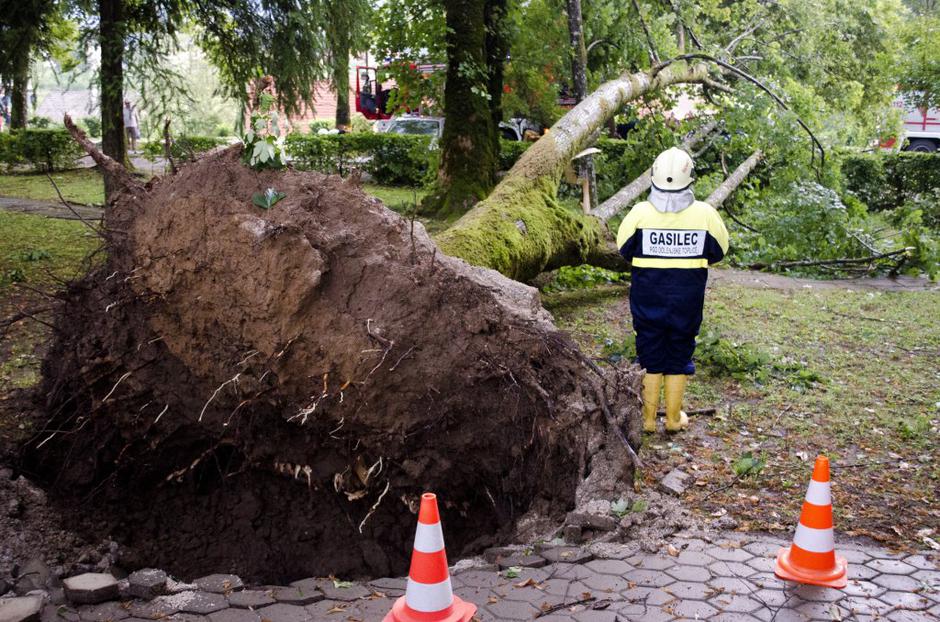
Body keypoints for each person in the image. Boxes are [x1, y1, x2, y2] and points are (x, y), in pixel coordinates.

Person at [616, 147, 729, 434]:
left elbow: (623, 248)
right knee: (679, 350)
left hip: (647, 297)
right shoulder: (705, 215)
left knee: (649, 349)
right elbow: (719, 251)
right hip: (687, 298)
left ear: (653, 175)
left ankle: (648, 420)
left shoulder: (640, 212)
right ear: (690, 177)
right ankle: (673, 418)